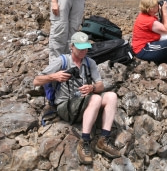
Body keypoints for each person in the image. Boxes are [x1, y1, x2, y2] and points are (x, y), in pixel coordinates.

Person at [33, 32, 121, 164]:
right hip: (65, 106)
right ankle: (84, 141)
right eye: (80, 48)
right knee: (96, 99)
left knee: (112, 96)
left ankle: (104, 140)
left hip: (84, 102)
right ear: (72, 46)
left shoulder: (89, 62)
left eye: (85, 48)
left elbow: (100, 85)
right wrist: (53, 77)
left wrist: (92, 88)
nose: (83, 51)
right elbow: (36, 81)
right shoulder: (62, 61)